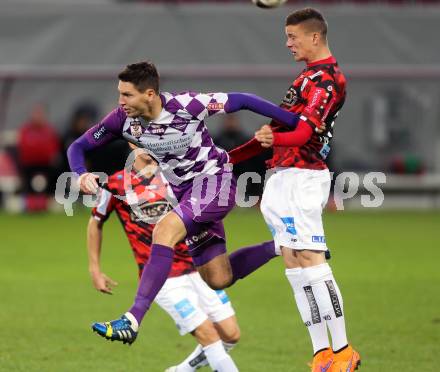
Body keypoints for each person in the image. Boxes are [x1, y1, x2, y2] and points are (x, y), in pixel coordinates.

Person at [67, 60, 317, 346]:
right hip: (186, 194)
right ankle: (284, 242)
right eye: (119, 94)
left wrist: (296, 124)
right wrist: (80, 174)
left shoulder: (188, 105)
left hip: (216, 182)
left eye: (127, 95)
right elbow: (78, 147)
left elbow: (243, 100)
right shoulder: (122, 120)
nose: (120, 101)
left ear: (149, 94)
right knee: (218, 277)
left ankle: (132, 319)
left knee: (164, 231)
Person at [228, 8, 360, 372]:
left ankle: (345, 349)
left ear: (314, 37)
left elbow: (304, 134)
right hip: (280, 177)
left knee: (312, 260)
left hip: (304, 176)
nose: (287, 43)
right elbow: (272, 132)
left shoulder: (330, 80)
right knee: (293, 261)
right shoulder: (305, 78)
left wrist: (275, 137)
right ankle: (322, 352)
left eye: (293, 37)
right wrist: (229, 158)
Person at [88, 144, 240, 371]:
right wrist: (95, 269)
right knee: (208, 335)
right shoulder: (115, 183)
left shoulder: (177, 176)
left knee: (231, 334)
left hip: (198, 265)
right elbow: (95, 222)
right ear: (131, 143)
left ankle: (181, 370)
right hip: (164, 277)